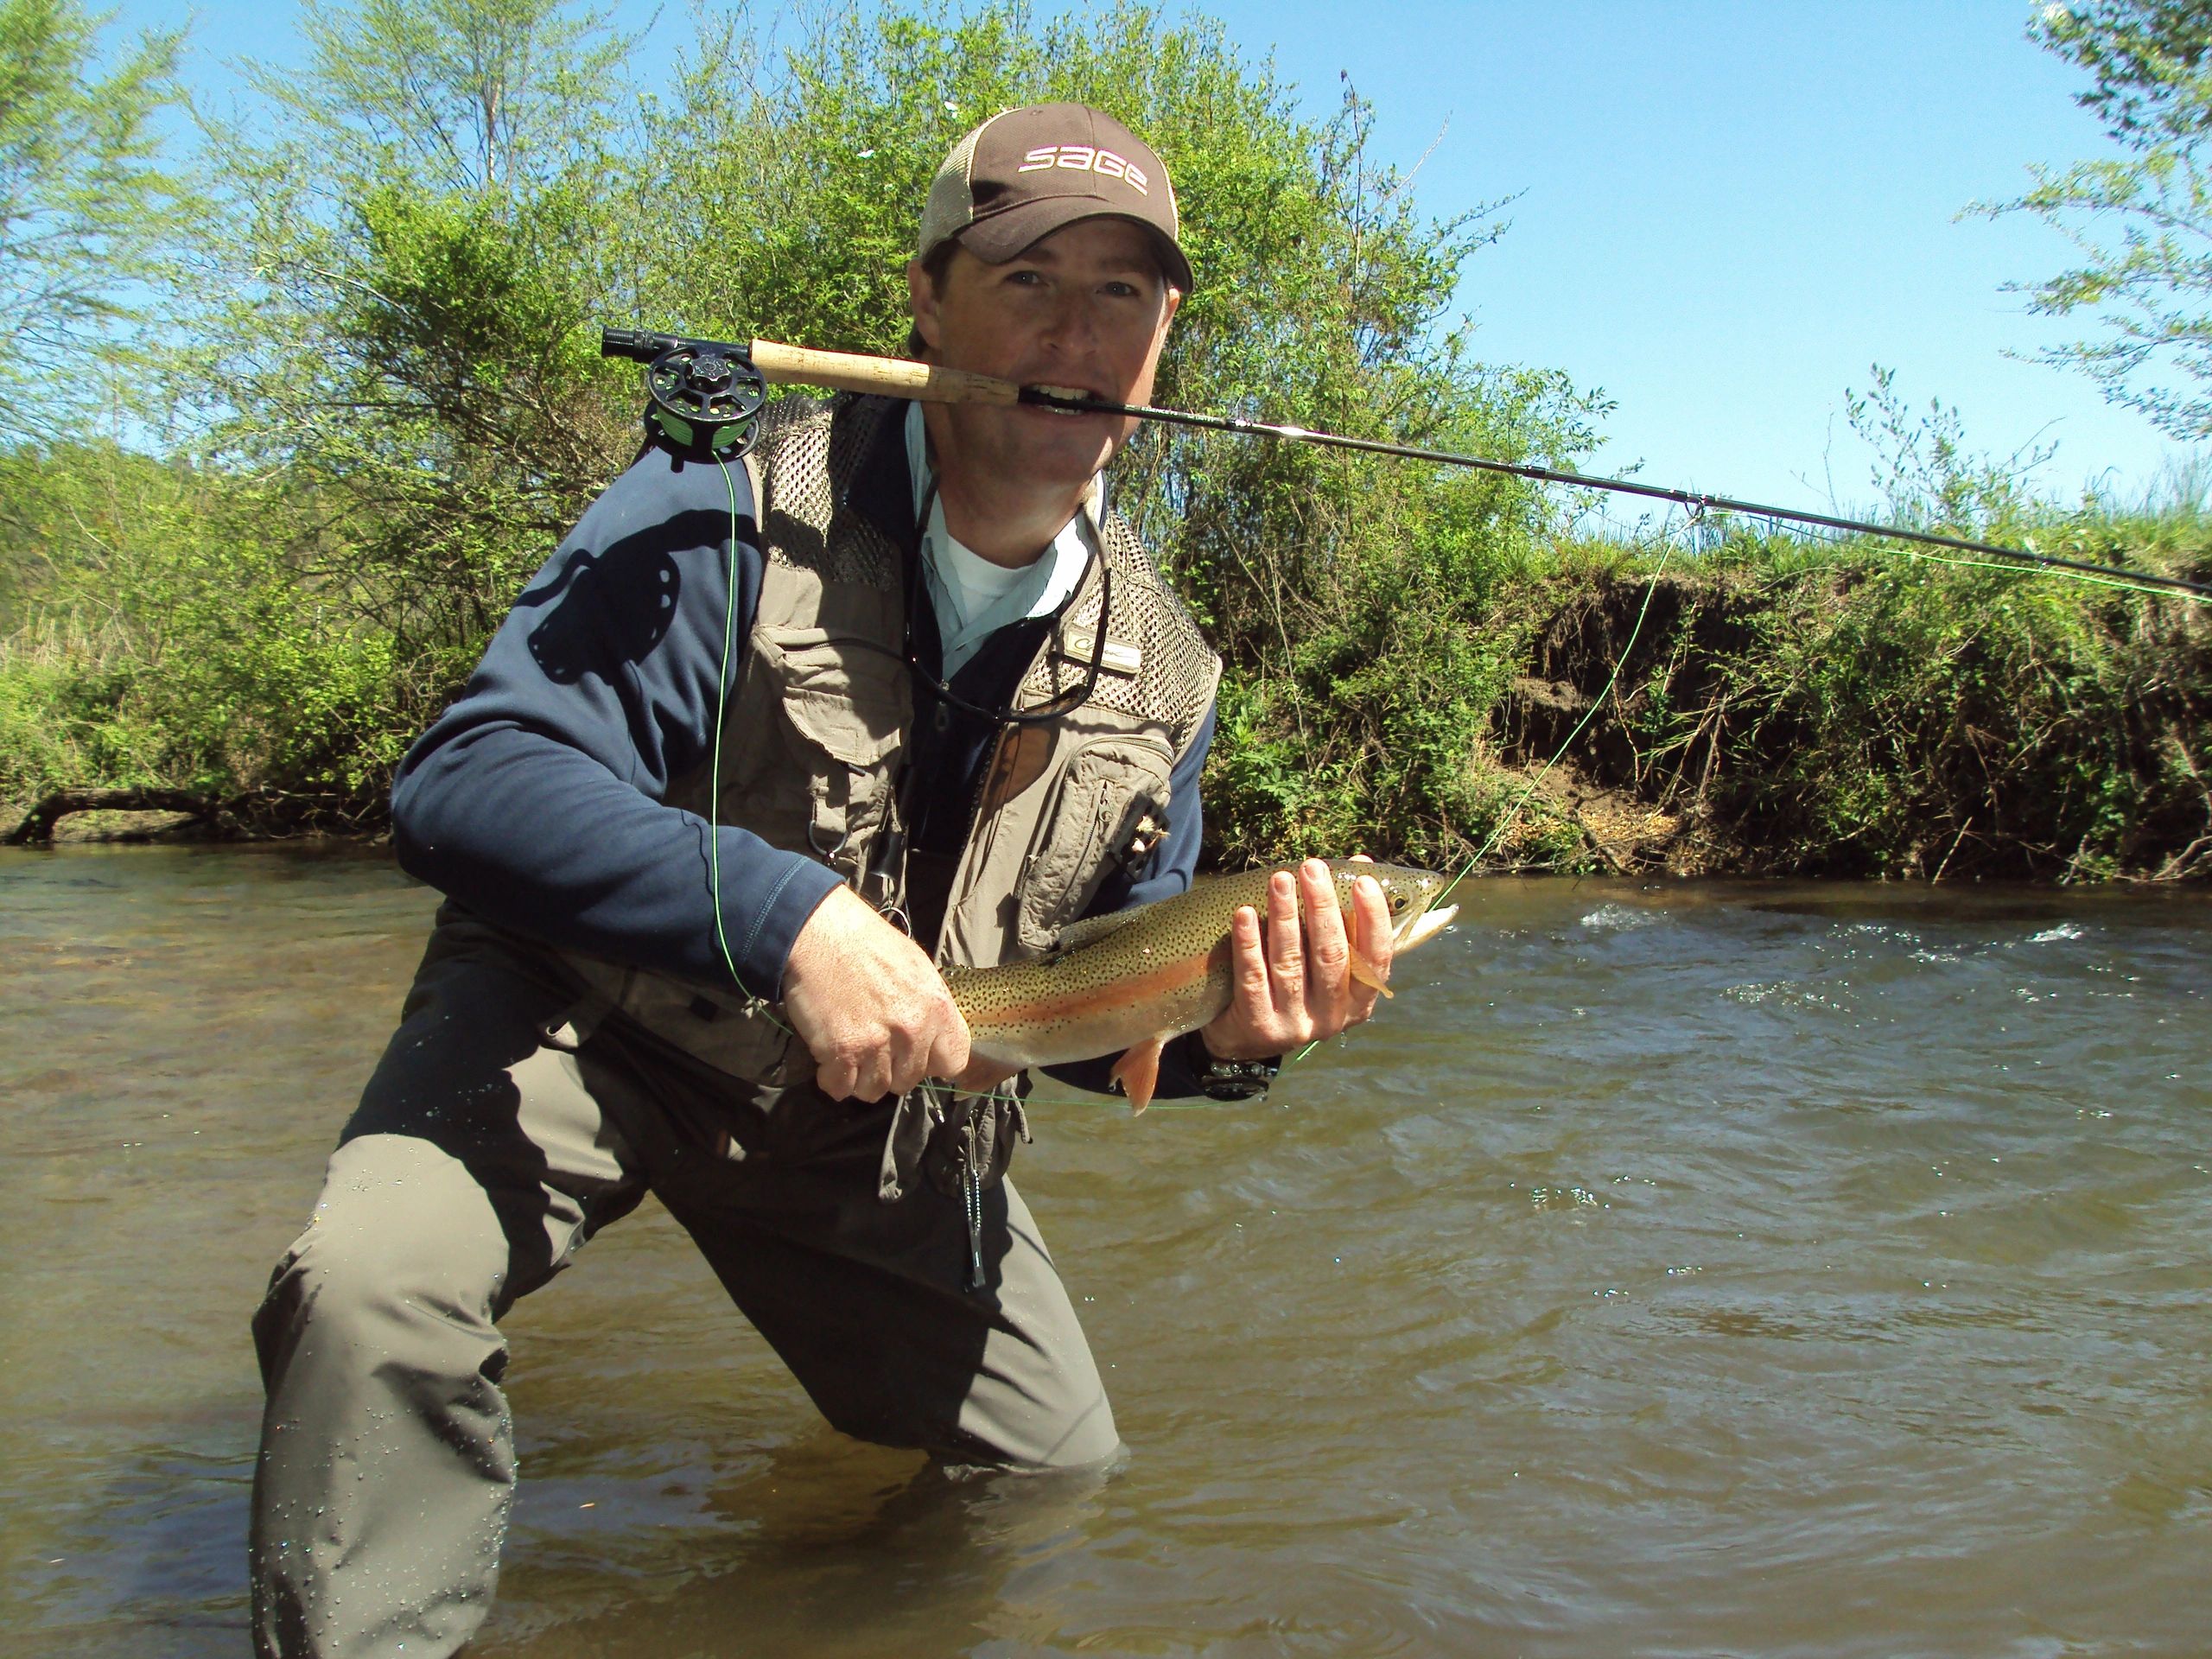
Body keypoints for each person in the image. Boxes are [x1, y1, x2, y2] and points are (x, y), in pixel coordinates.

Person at [247, 102, 1395, 1658]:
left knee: (1049, 1474)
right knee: (369, 1298)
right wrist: (787, 916)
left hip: (880, 1106)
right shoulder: (724, 499)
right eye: (1026, 280)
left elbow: (1101, 999)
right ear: (927, 300)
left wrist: (1229, 1046)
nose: (1076, 330)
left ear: (1166, 331)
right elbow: (465, 783)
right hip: (592, 1018)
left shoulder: (1170, 666)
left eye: (1121, 293)